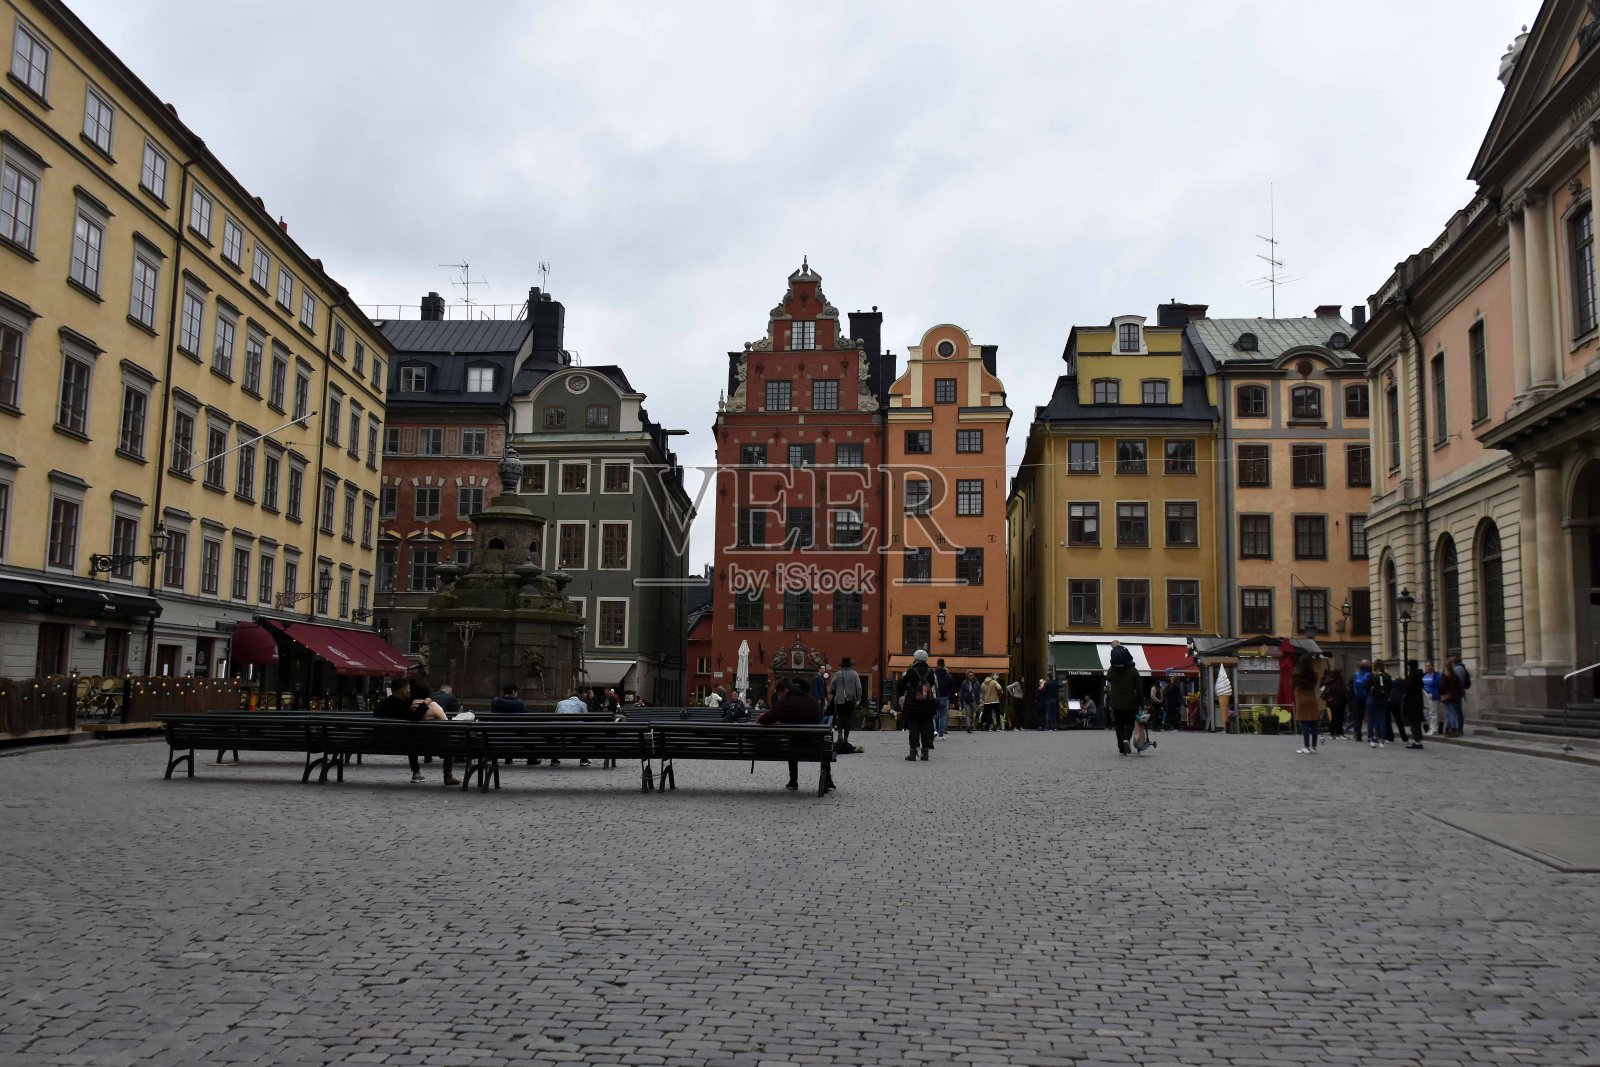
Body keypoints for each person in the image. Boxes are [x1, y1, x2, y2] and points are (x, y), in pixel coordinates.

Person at [758, 678, 834, 791]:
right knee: (821, 746)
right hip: (815, 746)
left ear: (785, 690)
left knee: (792, 740)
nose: (780, 697)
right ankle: (828, 780)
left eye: (780, 694)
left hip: (794, 747)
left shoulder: (787, 703)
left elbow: (765, 720)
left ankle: (793, 781)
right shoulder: (812, 700)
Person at [379, 681, 457, 785]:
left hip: (389, 741)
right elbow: (416, 717)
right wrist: (426, 703)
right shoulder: (406, 706)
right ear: (402, 690)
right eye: (407, 688)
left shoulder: (401, 705)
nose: (408, 691)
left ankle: (416, 772)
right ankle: (448, 775)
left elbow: (413, 717)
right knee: (449, 741)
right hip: (422, 743)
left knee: (412, 736)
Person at [896, 650, 939, 761]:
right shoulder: (930, 671)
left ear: (916, 658)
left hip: (913, 704)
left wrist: (911, 689)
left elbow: (903, 684)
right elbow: (932, 684)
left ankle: (913, 753)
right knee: (925, 728)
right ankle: (925, 753)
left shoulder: (911, 670)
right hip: (927, 704)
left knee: (914, 728)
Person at [1106, 642, 1142, 756]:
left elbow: (1108, 681)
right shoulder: (1133, 671)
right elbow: (1139, 688)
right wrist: (1141, 702)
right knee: (1129, 722)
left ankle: (1121, 747)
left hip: (1116, 702)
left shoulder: (1112, 669)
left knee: (1118, 724)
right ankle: (1126, 739)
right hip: (1130, 702)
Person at [1292, 655, 1325, 754]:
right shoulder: (1314, 673)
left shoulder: (1296, 674)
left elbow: (1292, 684)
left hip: (1301, 700)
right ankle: (1314, 747)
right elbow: (1315, 684)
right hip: (1312, 699)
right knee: (1314, 723)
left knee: (1305, 723)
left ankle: (1306, 747)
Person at [829, 657, 861, 746]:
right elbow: (859, 687)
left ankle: (840, 736)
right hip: (850, 700)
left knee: (840, 717)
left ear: (842, 665)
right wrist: (858, 699)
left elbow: (832, 687)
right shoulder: (854, 674)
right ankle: (846, 738)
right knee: (848, 718)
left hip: (839, 700)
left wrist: (838, 691)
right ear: (850, 665)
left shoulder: (837, 674)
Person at [552, 688, 590, 765]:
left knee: (556, 738)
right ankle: (584, 760)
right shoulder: (582, 704)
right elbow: (586, 718)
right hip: (576, 731)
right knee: (584, 735)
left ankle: (554, 759)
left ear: (569, 698)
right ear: (578, 698)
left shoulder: (560, 703)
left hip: (560, 731)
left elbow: (555, 717)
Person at [1366, 660, 1394, 749]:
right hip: (1383, 700)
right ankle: (1382, 740)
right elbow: (1390, 688)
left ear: (1374, 666)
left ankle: (1371, 739)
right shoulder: (1387, 676)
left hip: (1372, 699)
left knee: (1371, 720)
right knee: (1382, 720)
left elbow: (1366, 686)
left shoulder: (1371, 675)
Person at [1402, 660, 1427, 749]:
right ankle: (1418, 740)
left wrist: (1403, 681)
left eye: (1408, 665)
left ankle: (1417, 741)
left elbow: (1408, 686)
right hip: (1416, 702)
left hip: (1413, 703)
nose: (1408, 667)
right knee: (1416, 723)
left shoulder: (1413, 676)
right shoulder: (1417, 675)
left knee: (1414, 723)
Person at [1319, 668, 1348, 740]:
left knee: (1333, 718)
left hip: (1332, 703)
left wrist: (1329, 698)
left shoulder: (1330, 682)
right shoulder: (1339, 682)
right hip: (1339, 702)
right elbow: (1342, 693)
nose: (1343, 674)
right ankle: (1338, 733)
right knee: (1339, 718)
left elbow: (1323, 692)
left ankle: (1332, 733)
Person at [1439, 658, 1464, 737]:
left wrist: (1442, 693)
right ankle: (1447, 730)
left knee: (1451, 714)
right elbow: (1460, 686)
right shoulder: (1454, 675)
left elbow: (1441, 686)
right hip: (1454, 696)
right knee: (1449, 713)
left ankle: (1453, 730)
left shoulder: (1444, 675)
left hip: (1447, 697)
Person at [933, 658, 956, 740]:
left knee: (934, 715)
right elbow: (952, 690)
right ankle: (941, 735)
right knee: (943, 716)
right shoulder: (948, 676)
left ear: (937, 664)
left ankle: (934, 730)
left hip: (934, 697)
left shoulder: (933, 675)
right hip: (944, 697)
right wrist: (952, 701)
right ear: (944, 665)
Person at [1349, 660, 1372, 741]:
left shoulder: (1355, 675)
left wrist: (1353, 697)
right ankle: (1370, 735)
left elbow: (1350, 688)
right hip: (1367, 697)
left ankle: (1358, 735)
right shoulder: (1370, 675)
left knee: (1358, 717)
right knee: (1370, 717)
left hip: (1357, 698)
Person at [1449, 656, 1471, 735]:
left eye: (1451, 659)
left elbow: (1457, 682)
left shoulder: (1458, 669)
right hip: (1458, 692)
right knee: (1457, 711)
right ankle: (1458, 729)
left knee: (1457, 711)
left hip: (1457, 693)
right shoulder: (1459, 668)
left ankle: (1459, 729)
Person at [1422, 662, 1442, 735]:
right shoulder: (1423, 675)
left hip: (1434, 696)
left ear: (1433, 667)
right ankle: (1430, 728)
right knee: (1427, 713)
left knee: (1433, 712)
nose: (1428, 668)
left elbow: (1440, 686)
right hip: (1425, 696)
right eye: (1426, 666)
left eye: (1429, 666)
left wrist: (1440, 695)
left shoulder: (1437, 676)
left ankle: (1434, 729)